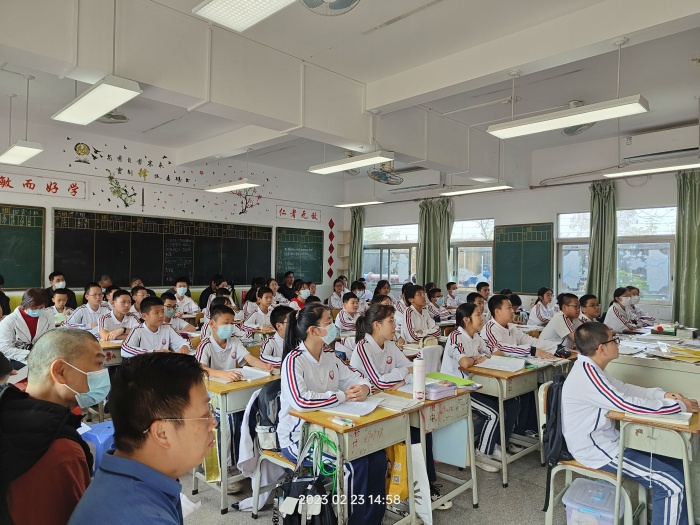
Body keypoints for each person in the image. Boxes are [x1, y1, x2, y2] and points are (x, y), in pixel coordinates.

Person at [563, 322, 698, 525]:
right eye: (614, 340)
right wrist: (679, 406)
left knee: (677, 462)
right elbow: (626, 404)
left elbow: (624, 389)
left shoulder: (592, 369)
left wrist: (662, 395)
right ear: (601, 348)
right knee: (671, 483)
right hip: (597, 451)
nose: (617, 344)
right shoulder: (587, 376)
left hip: (610, 441)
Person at [68, 353, 216, 525]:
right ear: (162, 433)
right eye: (205, 415)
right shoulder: (145, 517)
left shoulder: (120, 476)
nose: (213, 423)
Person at [278, 304, 385, 525]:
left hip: (331, 429)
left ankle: (372, 518)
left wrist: (364, 388)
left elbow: (357, 376)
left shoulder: (329, 355)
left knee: (377, 456)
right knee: (353, 464)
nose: (334, 326)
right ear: (313, 330)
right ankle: (355, 522)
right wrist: (341, 395)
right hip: (300, 439)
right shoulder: (294, 360)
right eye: (328, 322)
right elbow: (301, 401)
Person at [350, 304, 452, 508]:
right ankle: (410, 490)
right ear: (377, 325)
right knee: (410, 435)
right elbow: (378, 383)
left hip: (391, 400)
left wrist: (400, 377)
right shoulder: (363, 347)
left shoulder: (389, 345)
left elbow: (410, 366)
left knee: (421, 429)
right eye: (391, 321)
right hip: (370, 409)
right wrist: (401, 375)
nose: (395, 326)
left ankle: (426, 484)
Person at [1, 328, 107, 525]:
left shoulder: (10, 409)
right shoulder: (62, 451)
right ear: (60, 371)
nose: (103, 373)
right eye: (99, 363)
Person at [441, 303, 519, 471]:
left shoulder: (476, 336)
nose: (482, 318)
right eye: (478, 315)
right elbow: (464, 363)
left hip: (475, 385)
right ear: (466, 320)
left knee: (511, 404)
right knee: (493, 413)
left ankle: (496, 445)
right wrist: (476, 358)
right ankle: (481, 453)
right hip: (458, 389)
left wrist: (482, 357)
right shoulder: (456, 336)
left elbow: (497, 352)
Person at [481, 294, 557, 358]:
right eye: (509, 308)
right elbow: (500, 348)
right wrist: (531, 351)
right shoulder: (490, 329)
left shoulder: (511, 327)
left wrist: (556, 346)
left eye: (512, 307)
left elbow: (531, 341)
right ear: (497, 312)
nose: (512, 311)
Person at [0, 288, 55, 368]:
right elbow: (4, 348)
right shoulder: (9, 321)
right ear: (24, 305)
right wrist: (30, 354)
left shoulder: (48, 316)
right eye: (34, 308)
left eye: (41, 307)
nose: (38, 310)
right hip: (17, 358)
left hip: (42, 357)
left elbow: (51, 339)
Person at [121, 297, 189, 358]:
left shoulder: (167, 327)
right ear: (144, 316)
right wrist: (153, 352)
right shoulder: (137, 330)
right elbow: (125, 350)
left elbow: (182, 341)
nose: (161, 316)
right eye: (156, 313)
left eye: (162, 311)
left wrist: (184, 346)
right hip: (144, 365)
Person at [401, 285, 442, 373]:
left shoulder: (425, 311)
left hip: (425, 345)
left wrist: (423, 331)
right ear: (411, 299)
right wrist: (429, 335)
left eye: (424, 294)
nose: (423, 297)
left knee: (438, 349)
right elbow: (412, 337)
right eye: (420, 294)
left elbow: (438, 331)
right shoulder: (409, 312)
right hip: (412, 348)